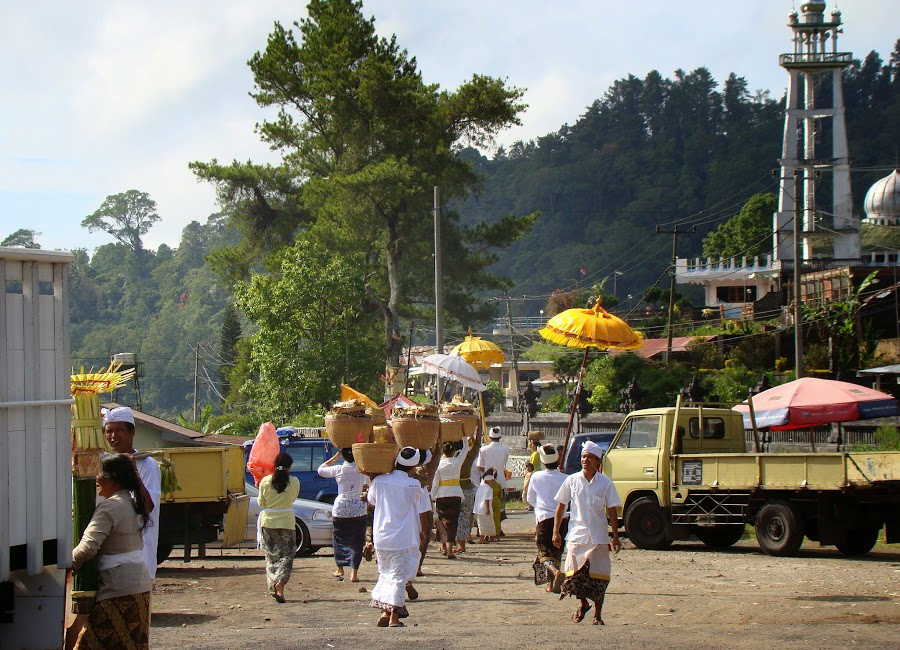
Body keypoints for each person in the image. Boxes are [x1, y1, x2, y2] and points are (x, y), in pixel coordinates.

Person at [71, 453, 153, 649]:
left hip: (118, 589)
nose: (95, 479)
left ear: (112, 477)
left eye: (98, 473)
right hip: (138, 586)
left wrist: (63, 565)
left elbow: (87, 548)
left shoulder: (110, 507)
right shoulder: (131, 503)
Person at [552, 440, 621, 626]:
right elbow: (560, 506)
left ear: (598, 461)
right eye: (583, 456)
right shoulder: (572, 481)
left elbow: (612, 509)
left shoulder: (605, 483)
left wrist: (615, 536)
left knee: (599, 578)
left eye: (590, 457)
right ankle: (583, 604)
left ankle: (598, 615)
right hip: (576, 536)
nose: (585, 460)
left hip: (598, 537)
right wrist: (556, 531)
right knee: (574, 576)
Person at [367, 446, 432, 628]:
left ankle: (385, 612)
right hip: (403, 537)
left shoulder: (379, 482)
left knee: (385, 574)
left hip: (381, 536)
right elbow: (418, 505)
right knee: (398, 577)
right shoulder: (413, 485)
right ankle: (394, 618)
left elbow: (371, 501)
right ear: (414, 466)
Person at [102, 407, 160, 580]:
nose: (113, 436)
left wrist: (132, 471)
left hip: (140, 549)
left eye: (119, 430)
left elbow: (148, 506)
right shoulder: (103, 464)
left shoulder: (147, 465)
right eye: (109, 431)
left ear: (132, 432)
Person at [318, 448, 369, 582]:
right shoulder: (363, 470)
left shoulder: (339, 469)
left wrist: (336, 456)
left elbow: (321, 469)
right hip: (359, 506)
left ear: (343, 457)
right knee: (357, 540)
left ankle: (340, 569)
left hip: (341, 506)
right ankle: (354, 573)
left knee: (339, 538)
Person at [257, 451, 300, 603]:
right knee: (287, 555)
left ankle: (275, 583)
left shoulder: (265, 481)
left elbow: (261, 503)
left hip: (268, 523)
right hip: (287, 522)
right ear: (289, 467)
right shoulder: (294, 481)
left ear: (274, 465)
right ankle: (281, 583)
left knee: (271, 556)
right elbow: (293, 498)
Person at [526, 444, 569, 593]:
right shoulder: (566, 478)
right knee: (557, 552)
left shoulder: (536, 477)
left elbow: (530, 498)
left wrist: (541, 505)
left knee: (544, 553)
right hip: (563, 519)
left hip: (544, 519)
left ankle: (555, 573)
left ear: (543, 461)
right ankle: (551, 584)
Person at [431, 436, 470, 559]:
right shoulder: (457, 462)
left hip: (442, 495)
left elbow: (435, 482)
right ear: (453, 452)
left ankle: (443, 546)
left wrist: (432, 496)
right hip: (455, 494)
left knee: (442, 522)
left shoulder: (439, 464)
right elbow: (466, 449)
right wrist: (464, 436)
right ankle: (449, 550)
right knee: (453, 522)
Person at [476, 426, 510, 535]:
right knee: (498, 506)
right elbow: (503, 464)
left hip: (486, 481)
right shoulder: (505, 449)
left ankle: (483, 530)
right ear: (500, 437)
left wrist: (486, 473)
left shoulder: (483, 450)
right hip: (500, 480)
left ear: (489, 437)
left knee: (484, 505)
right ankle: (497, 529)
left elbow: (480, 466)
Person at [454, 431, 481, 554]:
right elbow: (477, 444)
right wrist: (478, 426)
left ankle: (447, 545)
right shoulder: (468, 457)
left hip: (452, 490)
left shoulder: (448, 459)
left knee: (449, 518)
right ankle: (461, 543)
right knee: (465, 517)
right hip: (467, 489)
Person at [473, 469, 497, 542]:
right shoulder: (489, 489)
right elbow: (487, 499)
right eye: (491, 480)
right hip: (485, 509)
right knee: (489, 523)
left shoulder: (480, 488)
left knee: (481, 524)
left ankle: (483, 538)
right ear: (487, 481)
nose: (493, 481)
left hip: (478, 509)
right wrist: (487, 509)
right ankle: (488, 538)